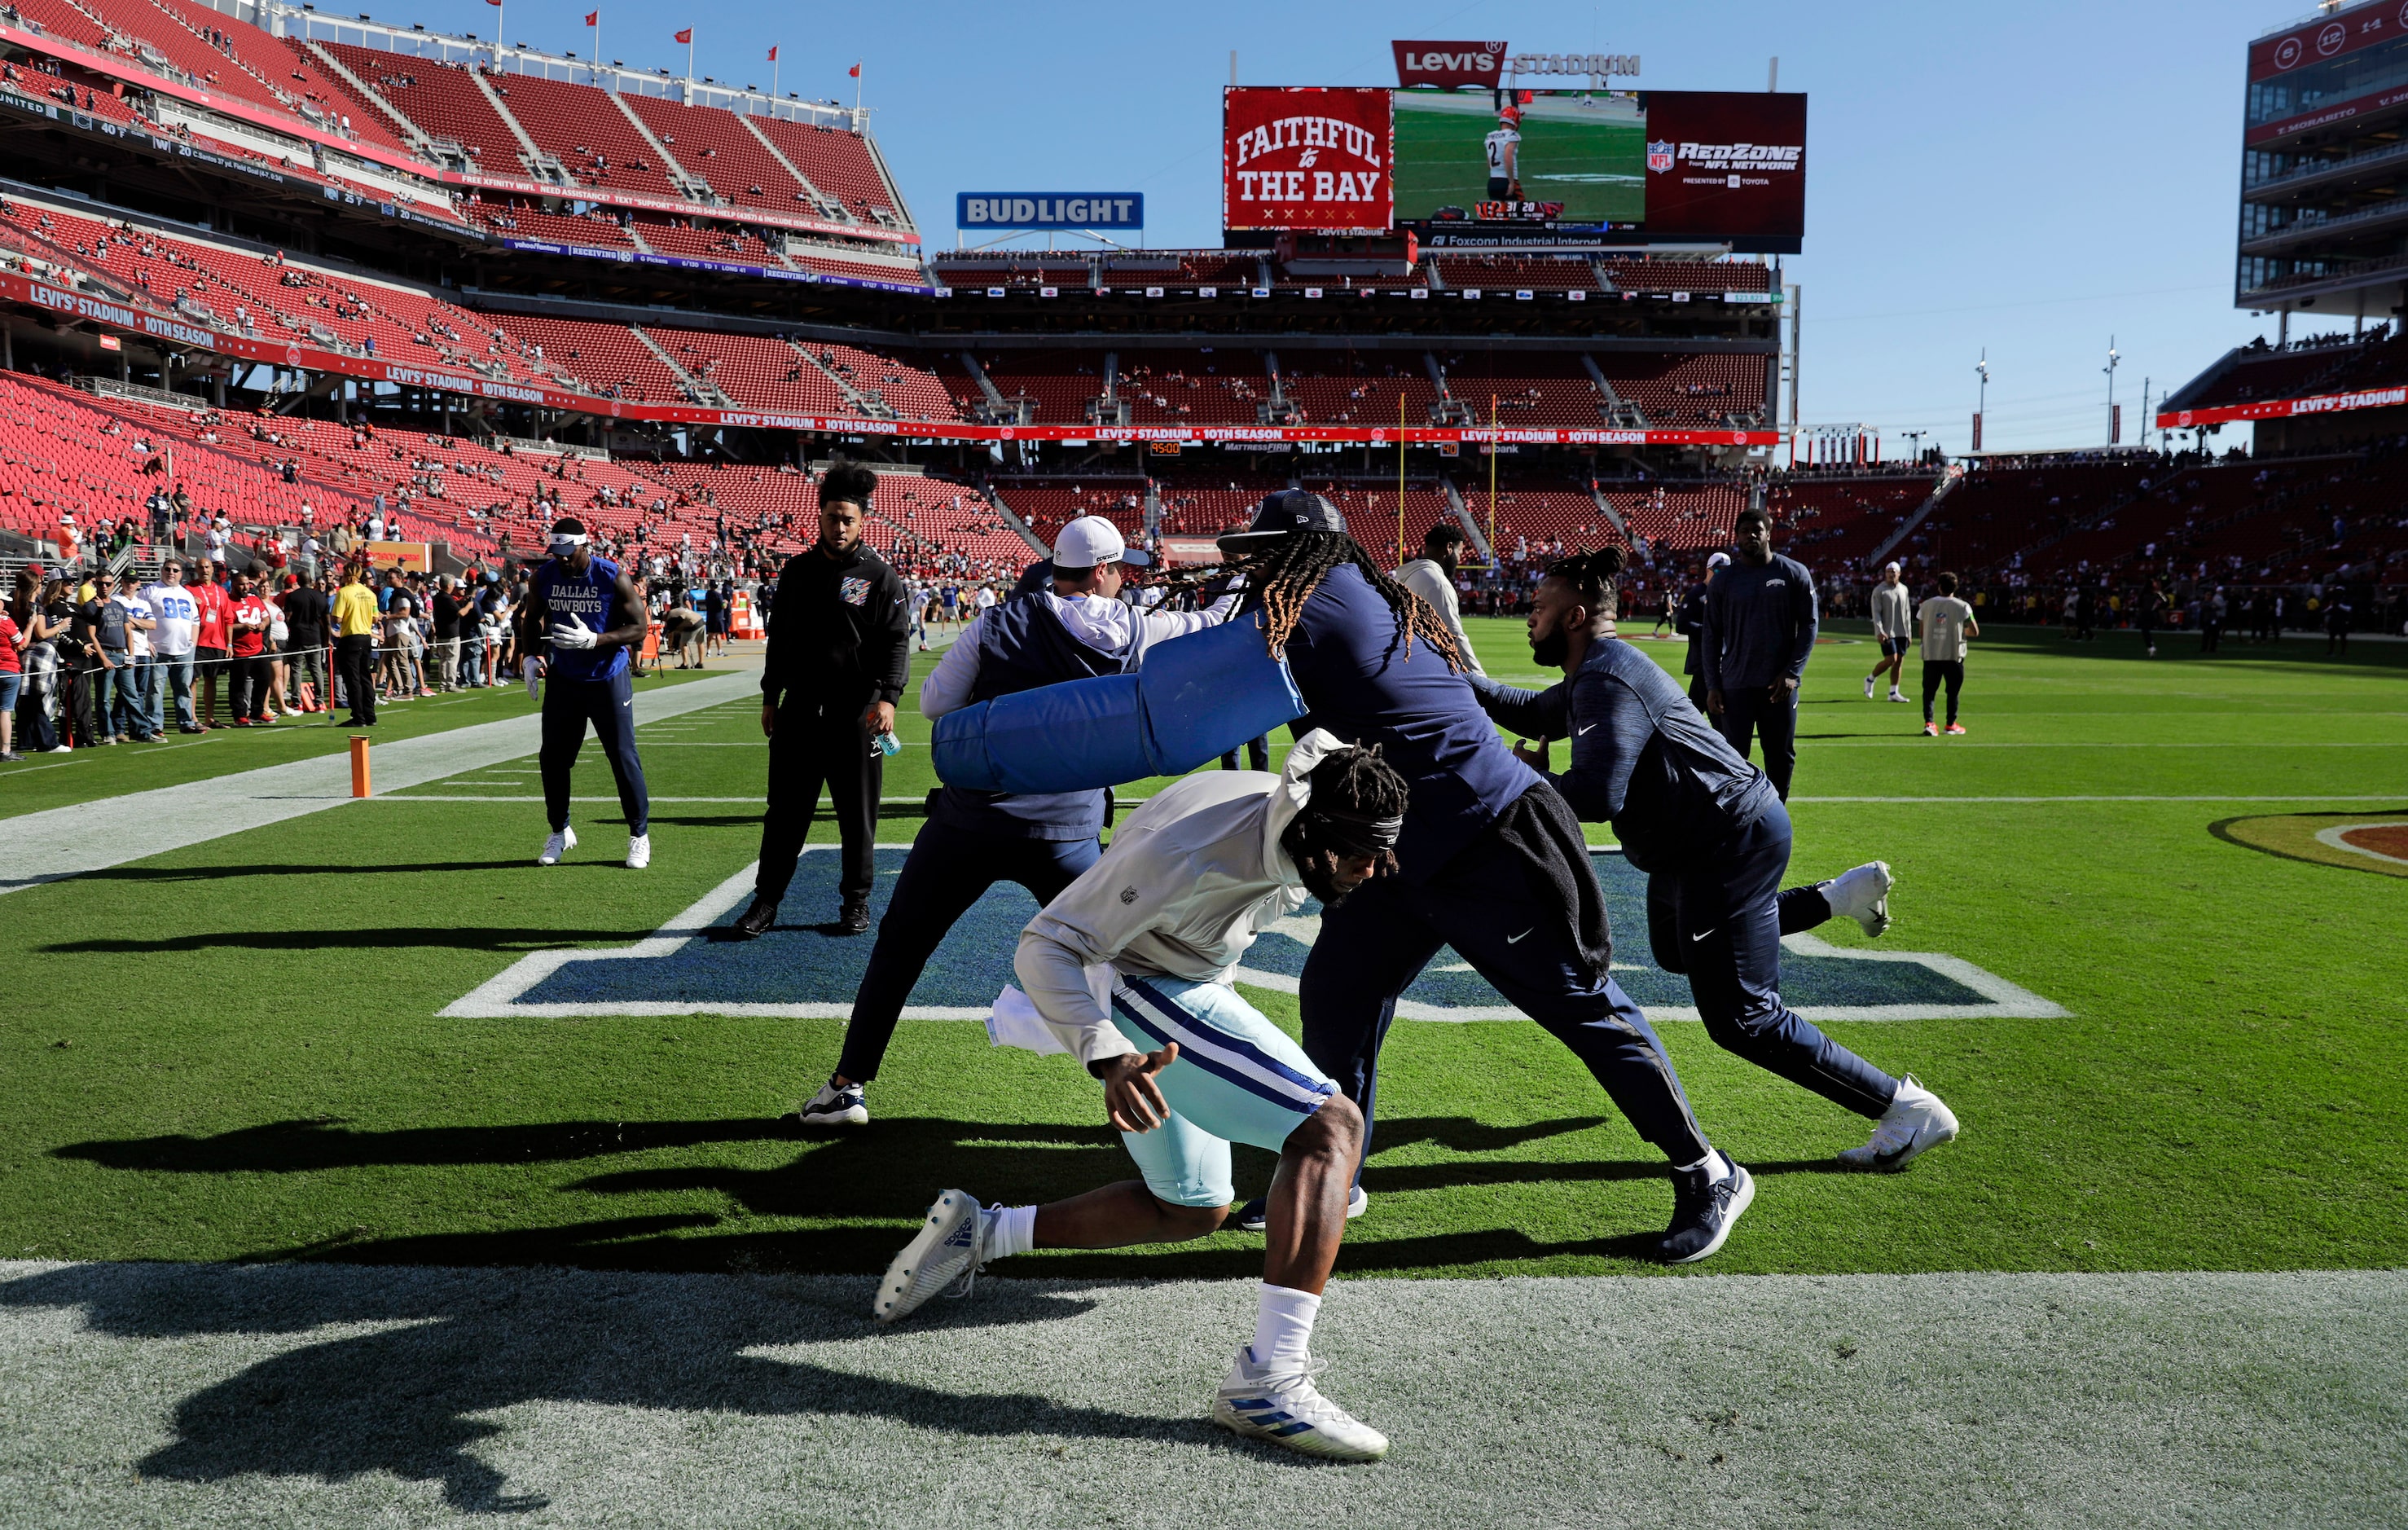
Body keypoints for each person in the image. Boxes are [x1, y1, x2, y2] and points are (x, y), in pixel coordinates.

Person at [1215, 491, 1750, 1263]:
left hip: (1486, 836)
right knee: (1337, 993)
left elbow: (1187, 682)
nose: (1251, 568)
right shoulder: (1345, 595)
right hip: (1406, 848)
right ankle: (1339, 1167)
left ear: (1298, 555)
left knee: (1579, 1005)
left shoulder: (1320, 602)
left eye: (1264, 552)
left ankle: (1709, 1171)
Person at [872, 733, 1399, 1463]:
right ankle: (1269, 1380)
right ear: (1311, 834)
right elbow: (1045, 945)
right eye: (1358, 854)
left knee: (1192, 1205)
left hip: (1179, 974)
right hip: (1143, 984)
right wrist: (1109, 1052)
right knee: (1331, 1127)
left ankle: (980, 1235)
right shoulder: (1193, 853)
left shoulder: (1295, 813)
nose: (1372, 871)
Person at [1470, 547, 1959, 1170]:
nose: (1528, 617)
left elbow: (1595, 794)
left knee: (1743, 1019)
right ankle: (1839, 898)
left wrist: (1525, 779)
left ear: (1576, 616)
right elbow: (1529, 710)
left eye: (1539, 608)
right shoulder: (1593, 671)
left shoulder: (1605, 677)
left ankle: (1905, 1107)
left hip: (1726, 842)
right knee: (1677, 950)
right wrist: (1454, 681)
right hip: (1697, 843)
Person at [783, 516, 1232, 1127]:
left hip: (972, 818)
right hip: (1067, 830)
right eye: (1119, 568)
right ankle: (1180, 1104)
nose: (1124, 578)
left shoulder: (997, 622)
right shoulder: (1137, 627)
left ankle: (846, 1086)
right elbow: (1210, 627)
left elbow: (937, 703)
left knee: (901, 949)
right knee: (1128, 963)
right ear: (1101, 571)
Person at [741, 464, 910, 934]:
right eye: (833, 517)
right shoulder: (797, 572)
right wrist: (770, 696)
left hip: (856, 716)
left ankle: (855, 903)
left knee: (857, 817)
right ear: (819, 516)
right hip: (799, 713)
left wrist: (889, 699)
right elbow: (780, 640)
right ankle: (766, 903)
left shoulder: (880, 576)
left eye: (848, 520)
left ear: (863, 522)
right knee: (784, 817)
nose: (839, 527)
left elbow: (896, 642)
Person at [517, 517, 653, 869]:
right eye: (556, 552)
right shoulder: (544, 576)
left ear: (584, 545)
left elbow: (640, 629)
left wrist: (597, 639)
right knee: (553, 758)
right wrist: (530, 656)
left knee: (623, 757)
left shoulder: (613, 576)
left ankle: (639, 834)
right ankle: (560, 830)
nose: (561, 558)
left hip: (607, 676)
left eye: (567, 551)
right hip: (565, 677)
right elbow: (531, 618)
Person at [1703, 505, 1816, 801]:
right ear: (1736, 537)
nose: (1751, 536)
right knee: (1732, 759)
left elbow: (1809, 626)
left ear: (1769, 533)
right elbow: (1711, 634)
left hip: (1779, 686)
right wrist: (1713, 684)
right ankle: (1737, 820)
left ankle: (1777, 817)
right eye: (1744, 531)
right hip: (1735, 686)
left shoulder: (1793, 573)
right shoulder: (1724, 582)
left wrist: (1792, 673)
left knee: (1780, 756)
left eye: (1757, 530)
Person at [1392, 523, 1485, 677]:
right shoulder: (1437, 582)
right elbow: (1454, 635)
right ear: (1449, 548)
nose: (1459, 559)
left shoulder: (1412, 576)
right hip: (1426, 669)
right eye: (1460, 552)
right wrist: (1480, 677)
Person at [1917, 572, 1978, 737]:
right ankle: (1950, 724)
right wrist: (1958, 631)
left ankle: (1929, 723)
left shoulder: (1925, 605)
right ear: (1955, 587)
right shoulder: (1963, 606)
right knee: (1953, 692)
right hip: (1953, 655)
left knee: (1929, 691)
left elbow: (1921, 632)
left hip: (1931, 654)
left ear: (1939, 586)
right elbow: (1974, 630)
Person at [143, 563, 202, 734]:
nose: (171, 573)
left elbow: (195, 621)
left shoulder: (186, 593)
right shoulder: (150, 590)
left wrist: (193, 643)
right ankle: (155, 725)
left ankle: (186, 722)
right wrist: (146, 641)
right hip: (158, 648)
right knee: (155, 690)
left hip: (184, 650)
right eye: (168, 569)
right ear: (162, 571)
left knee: (184, 688)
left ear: (181, 574)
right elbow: (138, 614)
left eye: (175, 570)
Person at [332, 561, 380, 728]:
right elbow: (375, 618)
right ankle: (370, 715)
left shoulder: (344, 593)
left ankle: (358, 717)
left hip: (350, 637)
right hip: (366, 637)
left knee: (352, 679)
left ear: (346, 575)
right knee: (365, 678)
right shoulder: (370, 593)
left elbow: (337, 618)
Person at [188, 559, 233, 730]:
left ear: (212, 569)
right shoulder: (189, 589)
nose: (204, 570)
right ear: (196, 570)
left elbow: (229, 619)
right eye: (200, 567)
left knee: (211, 679)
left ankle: (210, 717)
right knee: (194, 680)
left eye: (207, 567)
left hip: (218, 643)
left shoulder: (221, 591)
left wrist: (229, 644)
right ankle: (192, 717)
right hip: (198, 642)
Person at [1680, 552, 1725, 712]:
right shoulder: (1696, 594)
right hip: (1702, 661)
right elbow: (1682, 625)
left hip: (1724, 662)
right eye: (1719, 571)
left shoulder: (1728, 594)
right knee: (1718, 717)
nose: (1722, 575)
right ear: (1709, 570)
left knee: (1694, 713)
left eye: (1727, 571)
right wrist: (1708, 630)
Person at [226, 573, 273, 725]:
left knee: (265, 679)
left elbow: (266, 617)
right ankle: (239, 715)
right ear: (234, 584)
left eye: (247, 584)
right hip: (239, 650)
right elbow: (225, 626)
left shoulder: (254, 599)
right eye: (241, 584)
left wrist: (263, 625)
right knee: (238, 684)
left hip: (258, 648)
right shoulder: (228, 602)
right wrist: (243, 627)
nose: (245, 587)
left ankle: (257, 712)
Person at [1864, 561, 1911, 702]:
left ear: (1899, 574)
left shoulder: (1904, 589)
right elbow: (1876, 612)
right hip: (1887, 631)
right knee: (1891, 659)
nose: (1891, 574)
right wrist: (1879, 630)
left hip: (1901, 631)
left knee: (1899, 661)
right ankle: (1870, 679)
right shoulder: (1880, 590)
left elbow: (1907, 611)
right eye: (1888, 571)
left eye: (1893, 571)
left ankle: (1893, 692)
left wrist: (1909, 632)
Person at [283, 572, 328, 713]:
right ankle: (320, 702)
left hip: (297, 637)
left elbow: (288, 617)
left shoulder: (292, 596)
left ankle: (297, 702)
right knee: (316, 669)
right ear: (312, 581)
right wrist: (328, 639)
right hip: (315, 637)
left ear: (298, 581)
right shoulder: (320, 597)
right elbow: (326, 621)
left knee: (296, 669)